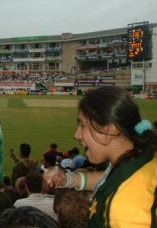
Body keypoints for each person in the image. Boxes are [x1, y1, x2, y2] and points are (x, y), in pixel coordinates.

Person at [55, 86, 157, 227]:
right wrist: (68, 179)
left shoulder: (122, 208)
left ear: (109, 130)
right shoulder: (142, 156)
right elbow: (108, 178)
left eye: (82, 125)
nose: (76, 135)